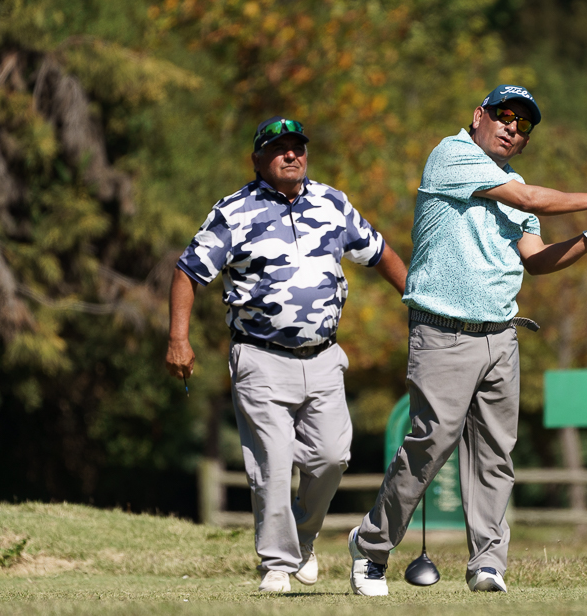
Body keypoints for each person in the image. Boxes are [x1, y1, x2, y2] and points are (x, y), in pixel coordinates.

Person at [348, 85, 587, 596]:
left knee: (496, 455)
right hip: (443, 333)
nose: (511, 128)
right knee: (430, 445)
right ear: (479, 116)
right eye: (504, 116)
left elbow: (536, 259)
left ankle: (487, 563)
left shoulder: (515, 186)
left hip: (501, 337)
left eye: (522, 125)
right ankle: (370, 548)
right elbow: (527, 198)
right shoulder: (451, 156)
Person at [165, 117, 407, 593]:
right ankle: (276, 564)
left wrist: (418, 303)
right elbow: (187, 272)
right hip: (260, 358)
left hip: (324, 357)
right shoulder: (233, 212)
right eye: (279, 148)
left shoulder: (333, 204)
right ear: (258, 159)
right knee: (273, 465)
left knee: (333, 457)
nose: (291, 155)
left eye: (297, 147)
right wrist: (178, 338)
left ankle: (302, 537)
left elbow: (380, 254)